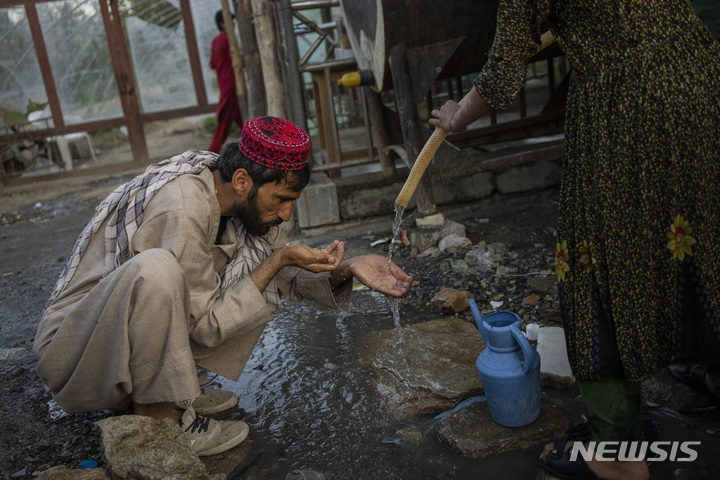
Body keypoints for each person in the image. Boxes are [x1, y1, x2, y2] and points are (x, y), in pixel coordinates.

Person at [430, 2, 720, 480]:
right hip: (700, 74)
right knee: (706, 237)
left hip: (630, 105)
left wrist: (457, 116)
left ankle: (618, 456)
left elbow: (504, 71)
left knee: (590, 265)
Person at [33, 116, 413, 457]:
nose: (286, 214)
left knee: (247, 274)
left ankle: (174, 392)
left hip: (110, 343)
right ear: (243, 179)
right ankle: (160, 416)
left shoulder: (235, 200)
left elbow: (286, 278)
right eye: (281, 199)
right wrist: (278, 260)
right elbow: (205, 323)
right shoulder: (183, 208)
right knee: (160, 271)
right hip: (75, 357)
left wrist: (350, 266)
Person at [208, 10, 244, 154]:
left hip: (225, 84)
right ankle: (211, 151)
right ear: (223, 24)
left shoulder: (216, 40)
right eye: (231, 21)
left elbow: (212, 64)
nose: (234, 24)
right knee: (225, 122)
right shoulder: (227, 39)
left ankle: (257, 143)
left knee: (236, 118)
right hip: (232, 85)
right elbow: (235, 60)